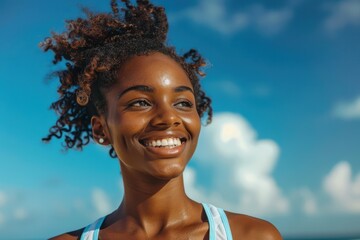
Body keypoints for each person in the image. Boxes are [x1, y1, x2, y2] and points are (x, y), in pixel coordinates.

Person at [41, 0, 282, 239]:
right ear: (101, 129)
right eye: (140, 102)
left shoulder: (254, 235)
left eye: (183, 103)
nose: (169, 117)